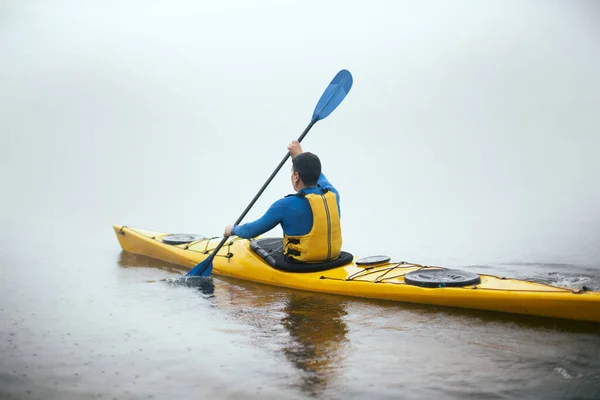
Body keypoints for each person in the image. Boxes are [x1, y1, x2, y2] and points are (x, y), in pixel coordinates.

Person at [224, 140, 342, 263]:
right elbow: (319, 176)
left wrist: (232, 230)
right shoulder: (333, 193)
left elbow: (250, 231)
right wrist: (299, 156)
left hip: (302, 264)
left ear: (296, 176)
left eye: (292, 173)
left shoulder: (285, 205)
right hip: (333, 258)